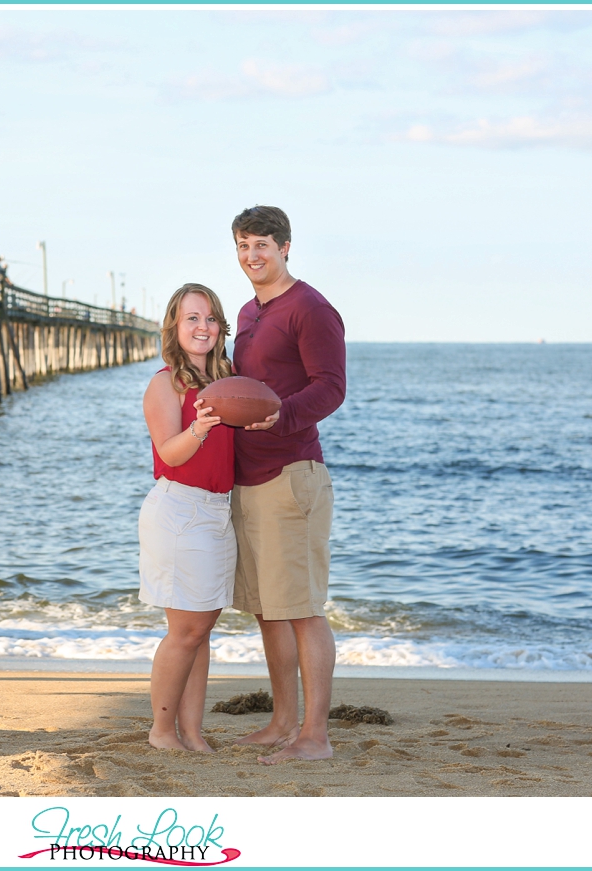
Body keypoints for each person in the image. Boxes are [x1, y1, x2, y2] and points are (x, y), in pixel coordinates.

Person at [229, 205, 346, 764]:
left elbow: (331, 388)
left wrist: (283, 416)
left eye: (262, 245)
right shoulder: (249, 313)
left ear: (286, 247)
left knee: (301, 608)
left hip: (291, 475)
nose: (253, 256)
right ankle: (281, 722)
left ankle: (315, 736)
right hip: (246, 479)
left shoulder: (311, 308)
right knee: (267, 607)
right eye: (244, 245)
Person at [139, 283, 236, 752]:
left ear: (221, 327)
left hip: (219, 511)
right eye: (192, 318)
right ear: (175, 328)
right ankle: (161, 731)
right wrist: (199, 426)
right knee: (185, 630)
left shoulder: (228, 381)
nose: (203, 327)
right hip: (179, 509)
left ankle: (192, 732)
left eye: (210, 318)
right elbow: (170, 454)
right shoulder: (164, 384)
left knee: (201, 629)